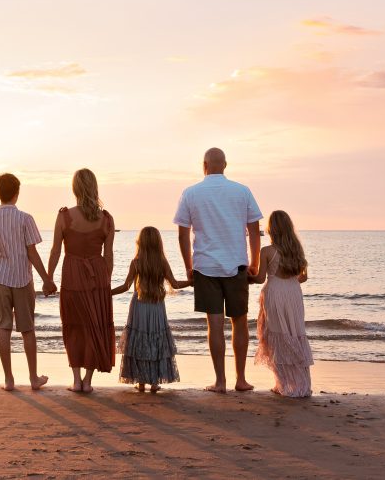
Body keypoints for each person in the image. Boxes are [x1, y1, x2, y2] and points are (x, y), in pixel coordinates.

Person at [174, 148, 263, 393]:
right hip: (236, 264)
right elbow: (254, 230)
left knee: (214, 325)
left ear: (204, 165)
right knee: (240, 322)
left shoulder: (191, 193)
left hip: (205, 265)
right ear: (225, 165)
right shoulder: (242, 191)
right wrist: (255, 262)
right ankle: (241, 379)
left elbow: (182, 234)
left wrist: (188, 267)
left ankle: (220, 381)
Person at [0, 173, 55, 392]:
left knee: (3, 328)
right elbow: (31, 252)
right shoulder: (25, 218)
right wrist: (47, 279)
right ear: (17, 193)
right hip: (23, 278)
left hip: (0, 278)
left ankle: (9, 380)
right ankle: (33, 378)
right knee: (27, 329)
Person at [47, 169, 116, 393]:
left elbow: (56, 251)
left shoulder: (65, 216)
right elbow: (109, 255)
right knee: (95, 327)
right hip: (98, 276)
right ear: (95, 187)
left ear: (75, 189)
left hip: (72, 275)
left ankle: (76, 380)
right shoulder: (106, 219)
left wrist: (49, 277)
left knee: (74, 326)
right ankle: (87, 381)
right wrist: (106, 280)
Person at [111, 227, 188, 393]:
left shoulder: (136, 262)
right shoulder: (162, 262)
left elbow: (125, 286)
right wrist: (193, 282)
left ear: (141, 242)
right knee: (156, 340)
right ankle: (154, 382)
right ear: (158, 242)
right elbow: (175, 284)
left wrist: (107, 292)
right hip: (157, 306)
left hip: (138, 306)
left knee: (139, 341)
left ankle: (140, 382)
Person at [249, 210, 313, 397]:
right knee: (295, 332)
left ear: (271, 229)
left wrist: (246, 275)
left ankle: (284, 384)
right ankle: (301, 384)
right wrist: (289, 282)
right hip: (293, 293)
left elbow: (260, 278)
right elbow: (303, 278)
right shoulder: (297, 249)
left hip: (275, 293)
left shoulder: (267, 251)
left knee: (277, 335)